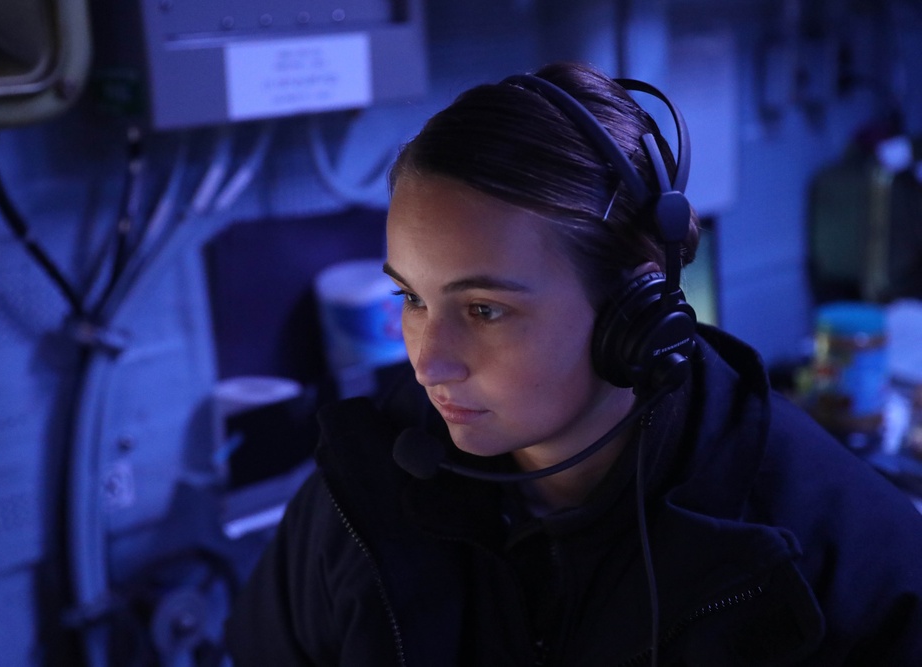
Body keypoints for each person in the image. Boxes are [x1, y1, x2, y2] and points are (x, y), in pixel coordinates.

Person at [224, 61, 922, 666]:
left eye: (484, 310)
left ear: (637, 304)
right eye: (411, 297)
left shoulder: (844, 560)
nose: (427, 361)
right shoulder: (361, 494)